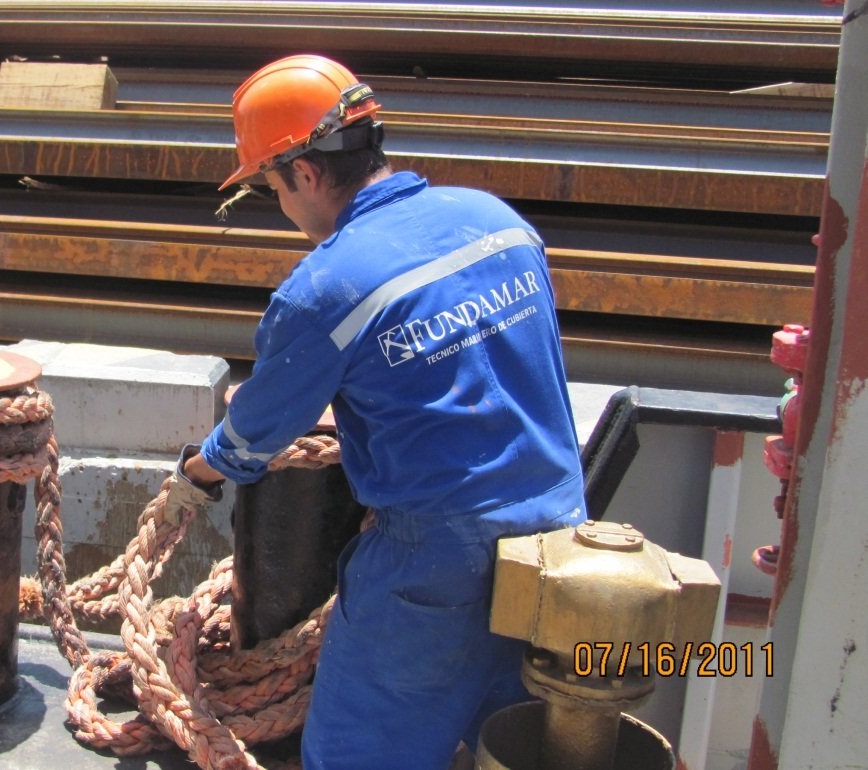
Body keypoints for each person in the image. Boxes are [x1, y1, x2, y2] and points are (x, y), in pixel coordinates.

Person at [164, 54, 587, 769]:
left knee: (358, 753)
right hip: (558, 540)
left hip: (435, 568)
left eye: (271, 187)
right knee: (510, 743)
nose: (285, 207)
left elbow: (258, 432)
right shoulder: (497, 222)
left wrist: (197, 474)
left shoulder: (324, 289)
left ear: (303, 172)